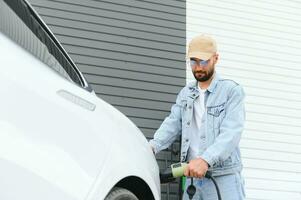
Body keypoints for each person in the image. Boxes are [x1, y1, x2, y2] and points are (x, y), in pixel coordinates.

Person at [149, 34, 246, 200]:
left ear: (216, 58)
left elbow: (231, 133)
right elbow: (172, 123)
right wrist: (151, 147)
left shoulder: (231, 91)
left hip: (223, 177)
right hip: (192, 179)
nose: (198, 67)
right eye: (193, 61)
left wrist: (205, 160)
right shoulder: (186, 93)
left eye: (203, 61)